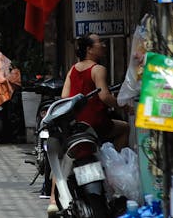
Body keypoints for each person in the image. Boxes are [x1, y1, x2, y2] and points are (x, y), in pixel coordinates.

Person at [49, 34, 130, 213]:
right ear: (89, 49)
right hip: (97, 123)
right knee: (124, 128)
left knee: (61, 156)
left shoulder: (73, 69)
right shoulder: (98, 69)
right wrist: (123, 105)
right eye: (99, 42)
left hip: (76, 124)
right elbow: (105, 96)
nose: (103, 45)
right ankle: (113, 166)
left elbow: (64, 97)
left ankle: (53, 199)